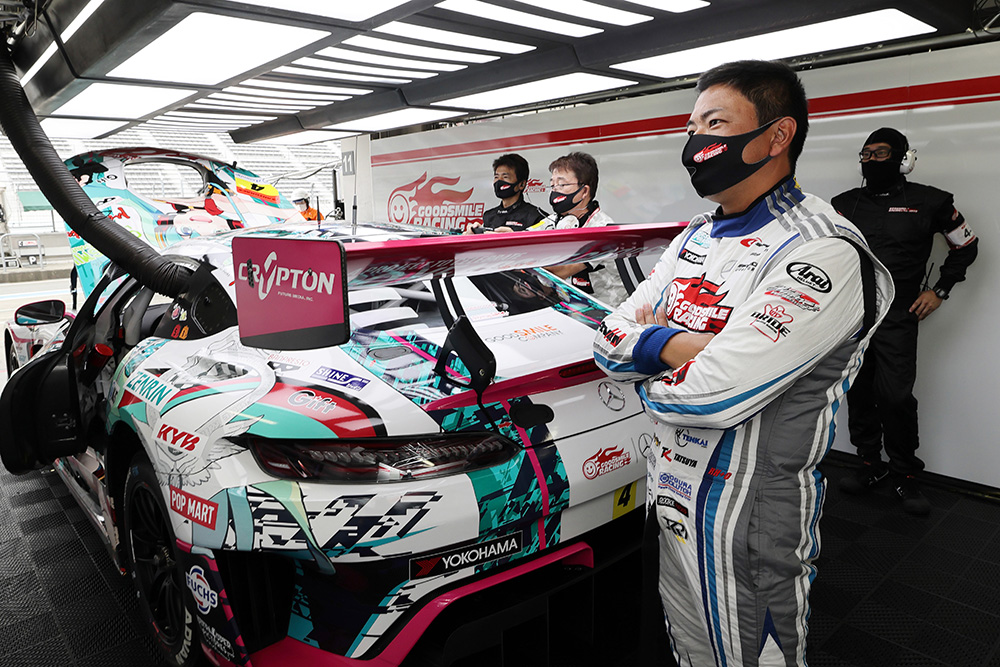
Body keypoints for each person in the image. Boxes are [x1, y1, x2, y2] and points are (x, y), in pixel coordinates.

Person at [593, 60, 893, 667]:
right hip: (669, 488)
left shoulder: (822, 248)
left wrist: (648, 354)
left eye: (715, 123)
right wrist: (684, 346)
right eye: (692, 127)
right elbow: (607, 339)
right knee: (689, 650)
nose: (696, 141)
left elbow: (713, 393)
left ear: (777, 136)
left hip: (751, 512)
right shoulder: (694, 236)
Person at [831, 128, 979, 515]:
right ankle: (870, 463)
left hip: (899, 314)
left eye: (880, 153)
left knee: (895, 396)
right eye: (865, 154)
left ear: (903, 159)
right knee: (858, 391)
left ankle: (905, 472)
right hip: (852, 315)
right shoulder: (843, 205)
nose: (870, 160)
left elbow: (966, 245)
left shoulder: (931, 201)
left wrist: (940, 290)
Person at [530, 151, 627, 306]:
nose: (555, 190)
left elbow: (560, 271)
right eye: (553, 185)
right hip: (570, 307)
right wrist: (501, 235)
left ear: (584, 191)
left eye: (562, 184)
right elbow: (523, 236)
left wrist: (520, 257)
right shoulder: (555, 219)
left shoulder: (602, 229)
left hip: (607, 310)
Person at [466, 153, 547, 234]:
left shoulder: (535, 216)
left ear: (522, 184)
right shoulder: (489, 216)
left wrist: (513, 237)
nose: (499, 181)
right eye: (496, 177)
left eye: (505, 177)